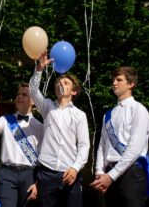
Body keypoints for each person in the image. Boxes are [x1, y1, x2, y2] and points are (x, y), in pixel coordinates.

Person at [30, 52, 89, 207]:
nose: (61, 84)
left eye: (66, 83)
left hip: (69, 172)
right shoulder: (47, 106)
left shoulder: (79, 115)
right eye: (58, 83)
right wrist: (39, 69)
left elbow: (84, 145)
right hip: (46, 172)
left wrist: (75, 168)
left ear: (74, 91)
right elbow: (34, 91)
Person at [90, 66, 149, 207]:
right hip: (109, 173)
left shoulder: (139, 110)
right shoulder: (108, 114)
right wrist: (100, 171)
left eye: (119, 80)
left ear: (131, 84)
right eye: (113, 80)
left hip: (131, 173)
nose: (114, 83)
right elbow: (102, 145)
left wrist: (111, 176)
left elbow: (134, 149)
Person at [0, 84, 43, 207]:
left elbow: (43, 157)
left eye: (24, 94)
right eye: (18, 94)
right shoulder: (6, 120)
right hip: (7, 173)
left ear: (33, 101)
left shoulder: (39, 126)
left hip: (29, 174)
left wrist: (38, 183)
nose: (20, 96)